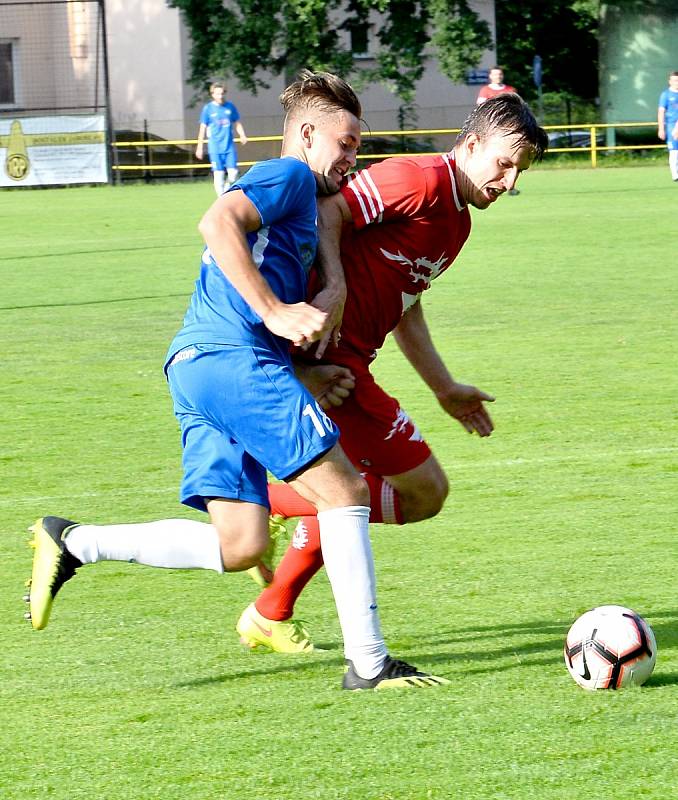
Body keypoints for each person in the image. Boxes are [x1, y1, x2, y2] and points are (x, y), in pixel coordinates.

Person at [25, 70, 448, 691]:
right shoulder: (291, 175)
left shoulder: (304, 198)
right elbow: (217, 224)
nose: (355, 159)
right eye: (348, 144)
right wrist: (277, 314)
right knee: (346, 493)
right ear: (307, 135)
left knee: (241, 544)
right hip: (236, 361)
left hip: (195, 367)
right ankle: (369, 663)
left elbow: (285, 248)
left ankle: (75, 542)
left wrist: (307, 347)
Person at [236, 92, 549, 654]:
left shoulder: (457, 223)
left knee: (354, 490)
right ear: (471, 144)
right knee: (423, 492)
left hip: (350, 362)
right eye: (504, 162)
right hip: (330, 363)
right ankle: (271, 505)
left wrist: (444, 387)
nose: (508, 180)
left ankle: (271, 609)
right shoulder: (420, 178)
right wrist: (333, 287)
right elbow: (332, 211)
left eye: (518, 173)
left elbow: (408, 301)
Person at [195, 82, 248, 196]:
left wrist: (242, 135)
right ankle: (221, 198)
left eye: (222, 93)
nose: (220, 96)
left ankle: (227, 190)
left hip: (229, 146)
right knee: (218, 174)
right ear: (212, 94)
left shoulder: (230, 107)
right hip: (215, 147)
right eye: (217, 94)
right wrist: (199, 147)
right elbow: (202, 128)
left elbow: (237, 122)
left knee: (233, 173)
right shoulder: (208, 109)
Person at [477, 67, 520, 195]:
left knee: (512, 160)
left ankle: (510, 187)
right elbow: (481, 108)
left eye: (500, 74)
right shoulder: (485, 90)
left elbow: (517, 108)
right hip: (492, 130)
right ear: (490, 76)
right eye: (495, 74)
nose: (498, 76)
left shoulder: (510, 90)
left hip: (508, 129)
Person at [657, 71, 678, 182]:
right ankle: (675, 175)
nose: (676, 83)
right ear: (669, 82)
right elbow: (661, 111)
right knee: (674, 150)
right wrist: (661, 128)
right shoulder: (665, 95)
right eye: (674, 80)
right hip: (670, 125)